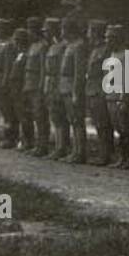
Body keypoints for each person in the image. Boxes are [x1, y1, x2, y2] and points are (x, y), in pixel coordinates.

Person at [105, 23, 129, 169]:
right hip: (111, 95)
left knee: (126, 130)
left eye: (111, 38)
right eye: (107, 38)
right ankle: (122, 157)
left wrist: (124, 98)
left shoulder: (126, 55)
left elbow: (128, 79)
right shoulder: (112, 54)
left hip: (121, 96)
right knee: (118, 129)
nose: (108, 41)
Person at [85, 19, 113, 166]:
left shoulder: (106, 50)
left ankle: (106, 154)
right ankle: (103, 153)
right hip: (92, 89)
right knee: (98, 123)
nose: (88, 34)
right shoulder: (94, 49)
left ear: (96, 32)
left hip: (100, 90)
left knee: (104, 124)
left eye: (90, 31)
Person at [60, 16, 87, 164]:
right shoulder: (69, 45)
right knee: (72, 120)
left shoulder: (79, 46)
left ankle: (80, 152)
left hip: (72, 88)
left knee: (77, 121)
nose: (61, 31)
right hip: (66, 86)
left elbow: (79, 72)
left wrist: (76, 92)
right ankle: (75, 151)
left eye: (63, 28)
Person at [44, 18, 70, 160]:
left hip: (58, 84)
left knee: (61, 117)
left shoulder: (63, 46)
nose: (46, 33)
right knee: (55, 117)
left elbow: (62, 69)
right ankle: (58, 146)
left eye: (48, 31)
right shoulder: (51, 46)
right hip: (50, 84)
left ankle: (62, 147)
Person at [22, 17, 47, 156]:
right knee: (30, 114)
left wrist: (42, 86)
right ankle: (32, 143)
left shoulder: (43, 45)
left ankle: (42, 145)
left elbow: (43, 68)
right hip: (29, 82)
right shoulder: (32, 46)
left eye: (31, 30)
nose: (28, 33)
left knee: (40, 116)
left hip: (37, 83)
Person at [0, 18, 18, 149]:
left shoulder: (9, 44)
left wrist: (5, 81)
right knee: (3, 110)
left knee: (8, 111)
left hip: (4, 78)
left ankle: (10, 138)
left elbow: (9, 65)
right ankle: (7, 136)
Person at [9, 28, 31, 150]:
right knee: (18, 114)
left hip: (21, 87)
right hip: (15, 87)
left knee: (24, 116)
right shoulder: (19, 54)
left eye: (18, 40)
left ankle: (27, 141)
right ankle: (21, 139)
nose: (16, 42)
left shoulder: (26, 54)